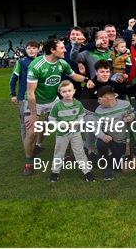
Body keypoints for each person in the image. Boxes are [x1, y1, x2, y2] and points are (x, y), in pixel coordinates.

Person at [24, 39, 93, 175]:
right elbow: (31, 93)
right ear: (52, 50)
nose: (65, 50)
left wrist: (86, 79)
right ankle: (28, 162)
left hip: (53, 100)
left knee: (68, 123)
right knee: (31, 132)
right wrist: (33, 114)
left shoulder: (62, 63)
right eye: (62, 48)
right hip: (35, 102)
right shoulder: (36, 65)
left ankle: (67, 153)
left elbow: (73, 76)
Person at [48, 81, 95, 182]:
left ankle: (87, 171)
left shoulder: (78, 104)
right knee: (59, 152)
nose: (67, 93)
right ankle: (55, 172)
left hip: (75, 133)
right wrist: (61, 125)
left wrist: (74, 123)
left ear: (74, 91)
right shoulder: (57, 106)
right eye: (64, 92)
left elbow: (81, 117)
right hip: (62, 134)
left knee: (80, 152)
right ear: (60, 93)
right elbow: (51, 119)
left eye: (69, 91)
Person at [94, 86, 134, 180]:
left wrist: (131, 117)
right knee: (100, 144)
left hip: (124, 141)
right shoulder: (98, 110)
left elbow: (133, 114)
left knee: (119, 167)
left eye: (100, 99)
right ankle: (107, 167)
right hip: (110, 140)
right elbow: (95, 128)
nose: (98, 101)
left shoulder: (125, 104)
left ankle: (112, 159)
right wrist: (103, 136)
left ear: (109, 98)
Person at [10, 40, 40, 144]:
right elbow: (13, 79)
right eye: (29, 48)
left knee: (38, 123)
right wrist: (13, 94)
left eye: (33, 48)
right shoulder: (21, 62)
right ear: (26, 50)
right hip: (24, 97)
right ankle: (26, 145)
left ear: (38, 49)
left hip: (40, 97)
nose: (31, 50)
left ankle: (35, 143)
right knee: (25, 123)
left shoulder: (42, 61)